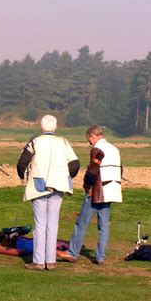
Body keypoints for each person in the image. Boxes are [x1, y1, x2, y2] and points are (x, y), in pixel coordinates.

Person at [17, 115, 80, 271]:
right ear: (56, 126)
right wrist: (64, 178)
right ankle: (51, 261)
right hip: (58, 186)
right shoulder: (64, 142)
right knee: (53, 224)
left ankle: (39, 261)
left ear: (41, 126)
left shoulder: (35, 142)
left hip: (39, 186)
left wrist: (23, 179)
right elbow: (75, 165)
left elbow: (22, 163)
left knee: (40, 224)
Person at [58, 126, 122, 265]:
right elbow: (120, 170)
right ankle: (100, 257)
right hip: (111, 190)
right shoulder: (114, 149)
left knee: (81, 223)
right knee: (104, 225)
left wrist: (87, 186)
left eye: (89, 139)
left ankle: (72, 253)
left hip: (97, 192)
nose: (89, 143)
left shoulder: (97, 150)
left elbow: (93, 170)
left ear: (93, 136)